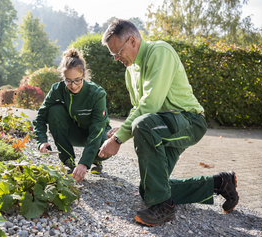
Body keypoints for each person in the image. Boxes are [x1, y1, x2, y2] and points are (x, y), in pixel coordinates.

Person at [98, 19, 239, 226]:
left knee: (143, 127)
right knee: (151, 190)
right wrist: (124, 127)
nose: (117, 58)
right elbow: (138, 108)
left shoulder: (160, 52)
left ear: (132, 40)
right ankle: (220, 183)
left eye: (118, 52)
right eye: (113, 55)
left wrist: (118, 139)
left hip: (189, 121)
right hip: (160, 127)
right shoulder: (130, 71)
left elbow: (150, 104)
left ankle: (165, 208)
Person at [34, 48, 111, 182]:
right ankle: (68, 161)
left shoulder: (97, 94)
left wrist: (84, 163)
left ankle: (95, 160)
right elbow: (40, 117)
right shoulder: (57, 90)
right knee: (55, 110)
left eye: (77, 80)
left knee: (103, 146)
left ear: (84, 75)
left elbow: (97, 129)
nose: (73, 85)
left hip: (95, 134)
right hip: (73, 132)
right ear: (63, 78)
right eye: (68, 81)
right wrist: (41, 140)